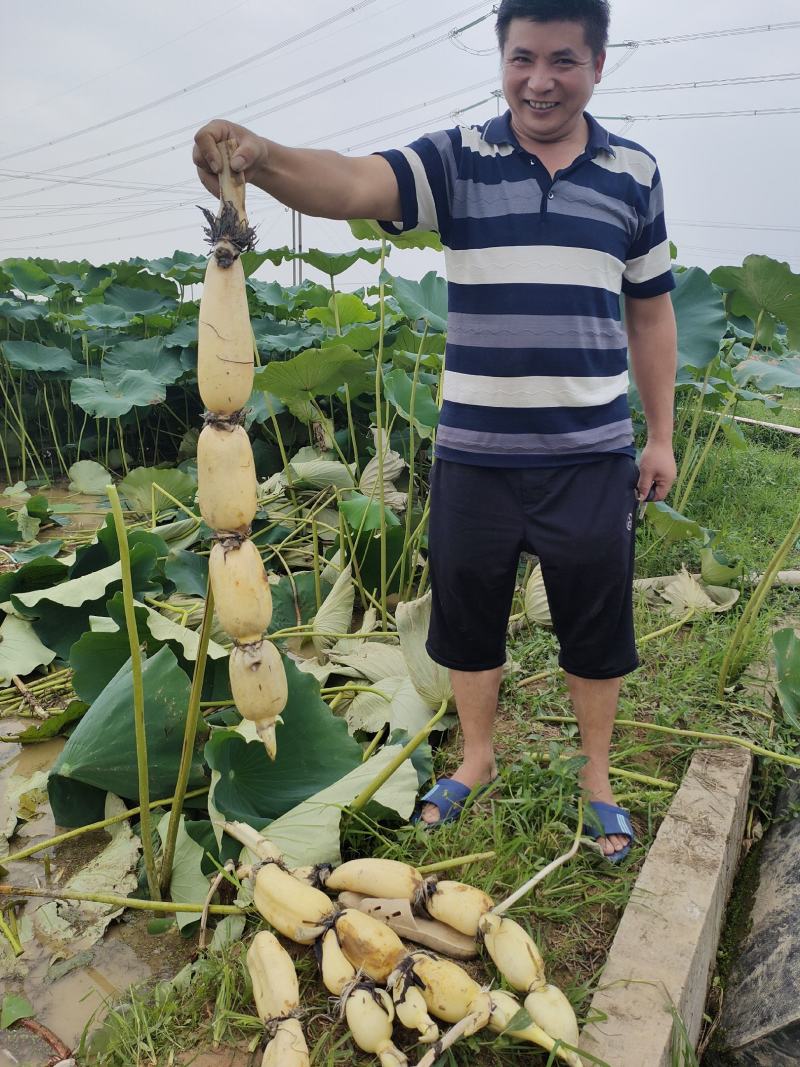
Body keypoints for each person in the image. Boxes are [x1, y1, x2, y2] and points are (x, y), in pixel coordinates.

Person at [193, 0, 678, 861]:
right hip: (475, 455)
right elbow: (349, 183)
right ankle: (478, 757)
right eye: (523, 57)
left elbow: (651, 315)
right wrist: (261, 161)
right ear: (502, 59)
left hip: (591, 454)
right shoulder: (458, 161)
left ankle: (596, 774)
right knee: (466, 618)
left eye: (563, 60)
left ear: (598, 64)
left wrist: (661, 435)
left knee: (596, 625)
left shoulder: (635, 173)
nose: (540, 80)